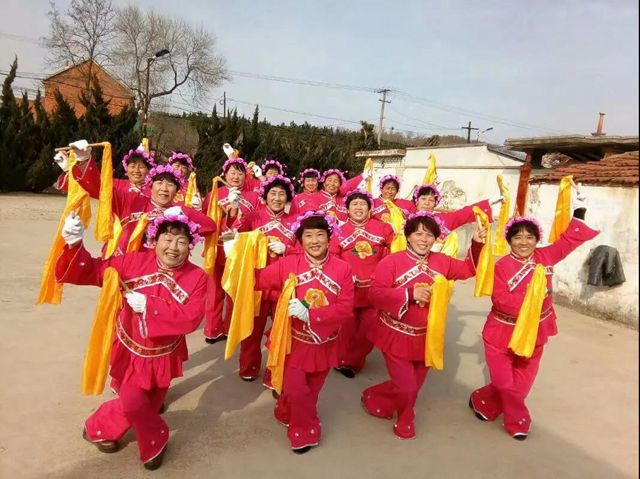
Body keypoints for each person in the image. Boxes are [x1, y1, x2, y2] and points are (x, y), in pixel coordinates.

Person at [56, 209, 208, 470]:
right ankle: (156, 438)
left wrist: (150, 306)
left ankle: (98, 427)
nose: (173, 248)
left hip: (164, 354)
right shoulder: (132, 262)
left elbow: (192, 318)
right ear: (154, 241)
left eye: (182, 242)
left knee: (151, 402)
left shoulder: (197, 277)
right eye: (167, 240)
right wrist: (74, 245)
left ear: (190, 246)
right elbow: (94, 271)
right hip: (131, 352)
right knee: (134, 403)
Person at [468, 202, 599, 441]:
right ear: (509, 240)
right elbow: (501, 299)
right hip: (503, 331)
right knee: (504, 382)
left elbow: (567, 242)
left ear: (537, 240)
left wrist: (579, 214)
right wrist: (533, 300)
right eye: (518, 237)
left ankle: (484, 400)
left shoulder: (545, 256)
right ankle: (518, 420)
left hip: (536, 330)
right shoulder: (502, 266)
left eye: (530, 237)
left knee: (522, 382)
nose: (524, 242)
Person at [362, 211, 485, 440]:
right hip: (396, 334)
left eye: (429, 235)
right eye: (418, 234)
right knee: (408, 388)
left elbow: (469, 269)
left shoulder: (442, 261)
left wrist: (476, 245)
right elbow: (375, 294)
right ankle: (405, 420)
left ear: (435, 238)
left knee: (412, 386)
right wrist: (410, 294)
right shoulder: (392, 262)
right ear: (408, 236)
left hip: (427, 337)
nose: (423, 239)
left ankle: (375, 395)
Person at [254, 211, 354, 454]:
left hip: (325, 342)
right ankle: (305, 431)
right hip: (294, 342)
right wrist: (237, 254)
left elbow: (345, 308)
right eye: (308, 236)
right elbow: (259, 280)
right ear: (300, 240)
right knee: (298, 391)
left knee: (313, 391)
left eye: (320, 235)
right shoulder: (288, 264)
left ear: (329, 237)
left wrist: (312, 315)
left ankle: (284, 410)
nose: (315, 241)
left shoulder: (343, 269)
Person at [229, 175, 297, 386]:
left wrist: (288, 249)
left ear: (288, 197)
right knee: (252, 330)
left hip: (284, 285)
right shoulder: (253, 217)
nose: (277, 198)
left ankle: (273, 374)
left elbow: (304, 250)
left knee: (280, 331)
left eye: (281, 194)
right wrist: (233, 209)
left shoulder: (296, 220)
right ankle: (248, 367)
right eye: (273, 193)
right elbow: (234, 235)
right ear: (265, 196)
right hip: (256, 283)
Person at [331, 189, 395, 378]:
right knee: (346, 328)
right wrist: (343, 273)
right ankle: (342, 359)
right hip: (349, 289)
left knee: (369, 328)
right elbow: (332, 255)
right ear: (347, 209)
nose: (358, 207)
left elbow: (396, 249)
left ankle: (353, 362)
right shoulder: (339, 231)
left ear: (369, 209)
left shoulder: (383, 228)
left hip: (375, 289)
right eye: (354, 204)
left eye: (362, 204)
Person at [201, 156, 259, 343]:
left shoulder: (253, 197)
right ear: (225, 174)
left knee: (234, 291)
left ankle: (230, 328)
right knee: (214, 291)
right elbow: (204, 219)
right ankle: (212, 329)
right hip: (216, 248)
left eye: (240, 173)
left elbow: (257, 223)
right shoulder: (214, 194)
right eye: (232, 172)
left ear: (245, 177)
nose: (236, 176)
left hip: (239, 251)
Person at [54, 141, 156, 199]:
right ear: (126, 169)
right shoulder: (116, 185)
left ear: (149, 170)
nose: (136, 170)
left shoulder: (156, 189)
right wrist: (81, 162)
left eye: (141, 167)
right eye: (132, 166)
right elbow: (94, 187)